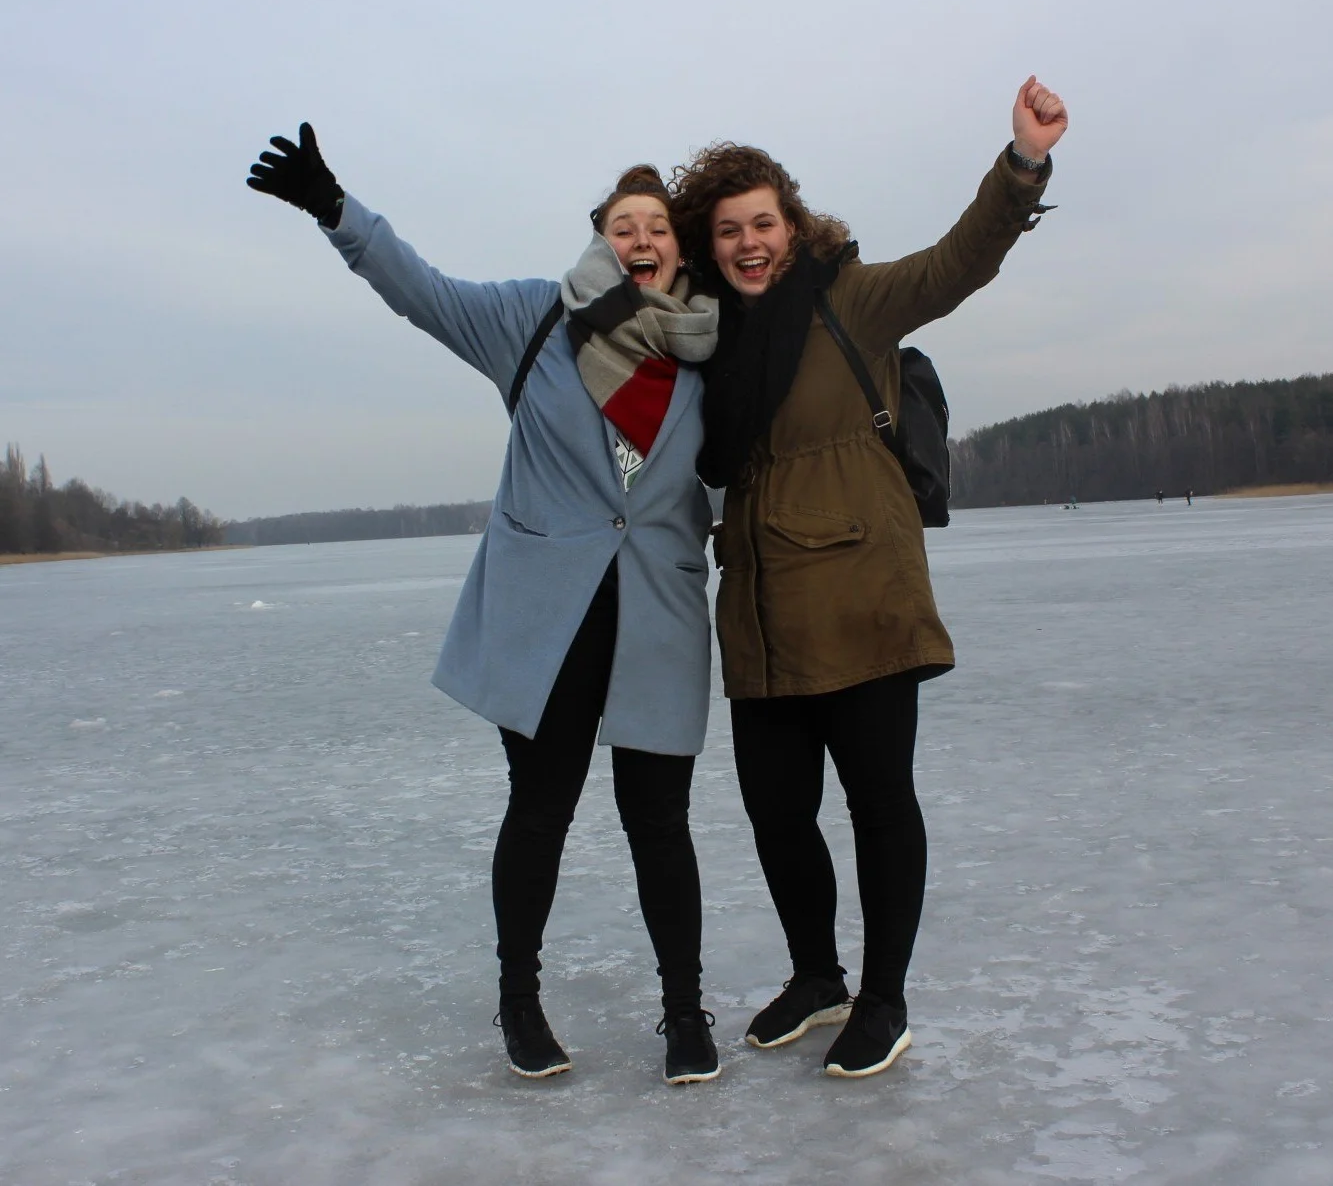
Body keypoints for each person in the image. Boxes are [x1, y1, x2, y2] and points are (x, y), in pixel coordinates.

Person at [246, 125, 723, 1085]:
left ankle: (683, 1010)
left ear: (679, 247)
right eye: (623, 223)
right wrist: (337, 209)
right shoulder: (535, 321)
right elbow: (422, 292)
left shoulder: (716, 350)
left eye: (657, 225)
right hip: (544, 615)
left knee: (658, 820)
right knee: (540, 808)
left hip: (658, 618)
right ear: (602, 237)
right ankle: (519, 999)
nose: (641, 236)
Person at [670, 77, 1068, 1078]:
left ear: (792, 226)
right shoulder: (707, 337)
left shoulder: (852, 296)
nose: (747, 241)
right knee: (775, 808)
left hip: (863, 593)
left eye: (762, 221)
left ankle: (883, 998)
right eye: (728, 229)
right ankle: (819, 976)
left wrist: (1019, 165)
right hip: (759, 605)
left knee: (878, 799)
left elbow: (957, 262)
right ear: (708, 243)